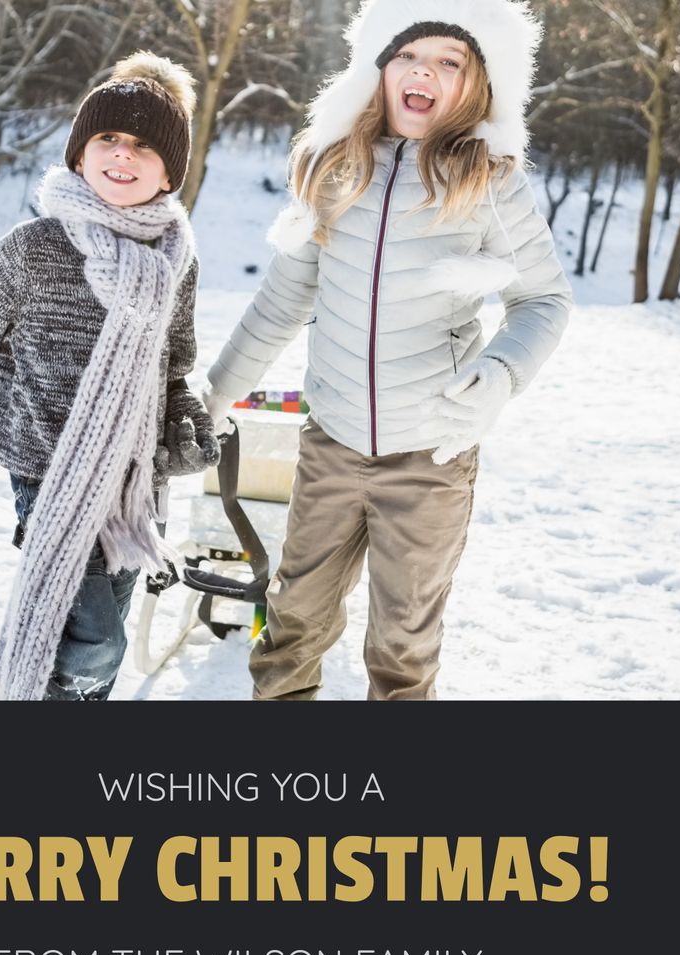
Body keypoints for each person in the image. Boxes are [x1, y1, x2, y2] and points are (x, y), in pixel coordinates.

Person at [202, 0, 572, 700]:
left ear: (478, 82)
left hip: (431, 458)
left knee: (404, 647)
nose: (423, 71)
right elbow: (283, 300)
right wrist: (218, 392)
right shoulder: (331, 166)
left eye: (448, 60)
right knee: (291, 623)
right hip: (331, 446)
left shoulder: (491, 181)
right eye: (407, 54)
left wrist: (500, 375)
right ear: (376, 66)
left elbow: (544, 300)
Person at [0, 52, 219, 701]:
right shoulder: (37, 247)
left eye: (144, 145)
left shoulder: (176, 258)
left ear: (169, 173)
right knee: (94, 640)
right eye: (108, 137)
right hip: (47, 466)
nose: (122, 153)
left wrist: (185, 419)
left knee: (107, 621)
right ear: (79, 155)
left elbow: (174, 362)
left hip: (132, 479)